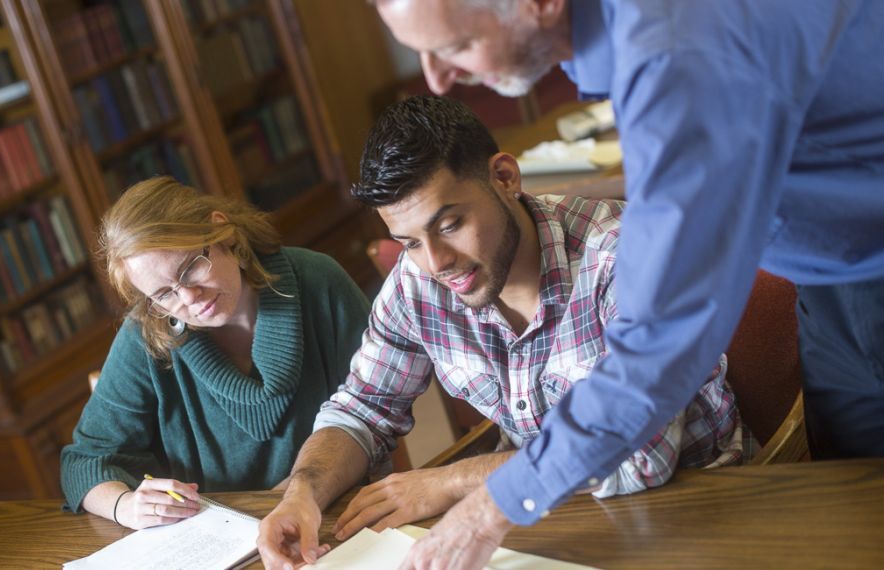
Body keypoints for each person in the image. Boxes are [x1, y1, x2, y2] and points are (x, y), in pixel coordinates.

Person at [369, 0, 884, 568]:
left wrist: (494, 504)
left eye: (456, 45)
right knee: (861, 519)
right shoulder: (630, 41)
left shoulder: (673, 50)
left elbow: (660, 340)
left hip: (867, 269)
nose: (437, 78)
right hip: (835, 282)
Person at [256, 95, 749, 569]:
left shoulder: (624, 258)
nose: (437, 263)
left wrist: (453, 482)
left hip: (702, 504)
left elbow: (640, 460)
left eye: (450, 224)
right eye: (408, 243)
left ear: (504, 177)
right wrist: (303, 491)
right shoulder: (419, 280)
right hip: (538, 518)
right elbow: (363, 408)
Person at [60, 176, 371, 530]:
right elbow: (83, 461)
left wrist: (298, 495)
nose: (189, 297)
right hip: (216, 539)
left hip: (333, 513)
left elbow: (375, 413)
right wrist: (125, 505)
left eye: (190, 267)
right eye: (164, 294)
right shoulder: (147, 333)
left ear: (223, 233)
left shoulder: (319, 282)